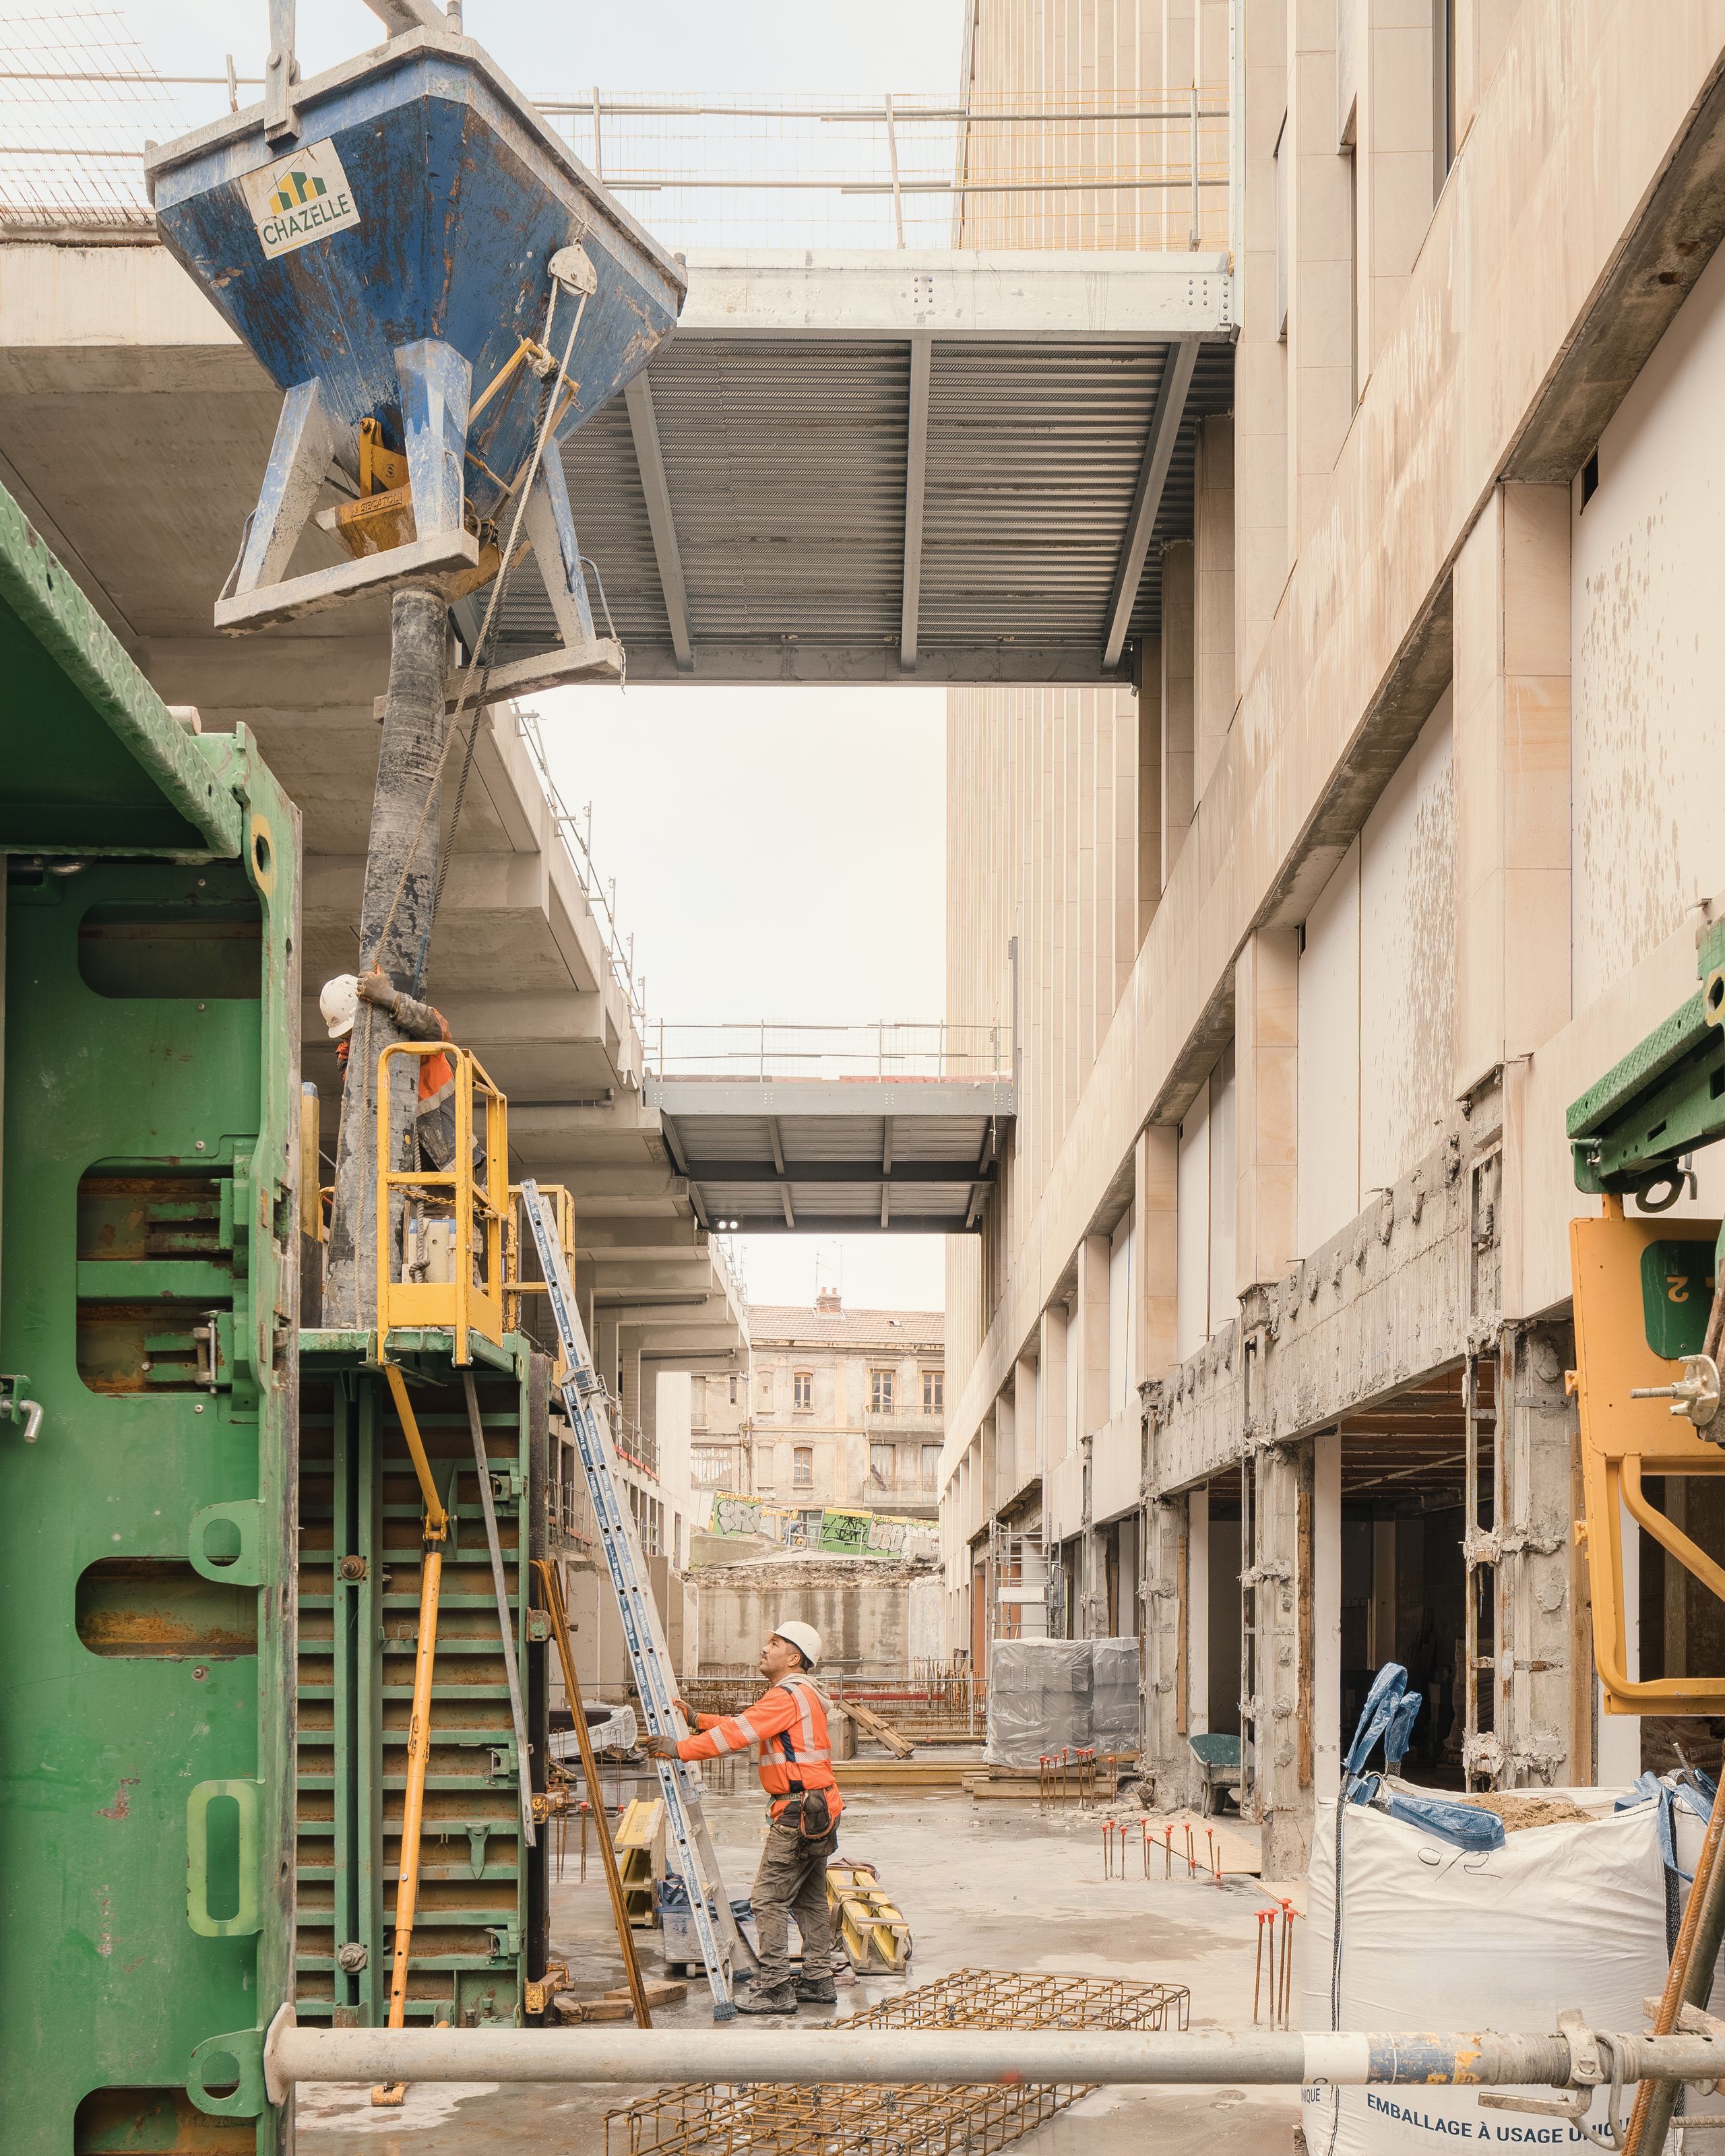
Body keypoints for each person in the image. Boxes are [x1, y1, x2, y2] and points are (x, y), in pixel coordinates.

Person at [644, 1620, 840, 2016]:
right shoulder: (800, 1695)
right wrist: (699, 1719)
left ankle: (776, 1988)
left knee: (766, 1901)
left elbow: (734, 1737)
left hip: (798, 1811)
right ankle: (818, 1979)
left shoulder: (786, 1696)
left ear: (794, 1657)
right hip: (820, 1808)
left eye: (775, 1643)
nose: (765, 1648)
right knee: (810, 1900)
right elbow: (746, 1727)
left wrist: (679, 1748)